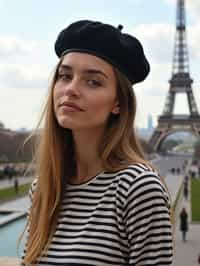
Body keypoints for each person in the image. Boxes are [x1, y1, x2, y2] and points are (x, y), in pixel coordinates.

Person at [21, 20, 173, 265]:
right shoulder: (42, 189)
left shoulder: (138, 189)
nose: (71, 89)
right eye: (65, 76)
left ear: (118, 103)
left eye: (93, 81)